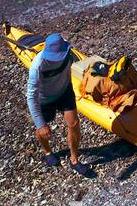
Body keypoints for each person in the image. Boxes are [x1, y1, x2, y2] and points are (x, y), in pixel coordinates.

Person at [26, 33, 90, 176]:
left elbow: (76, 68)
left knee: (73, 124)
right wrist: (40, 124)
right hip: (44, 99)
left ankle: (74, 159)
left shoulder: (68, 54)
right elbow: (31, 96)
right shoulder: (37, 67)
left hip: (64, 91)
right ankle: (48, 152)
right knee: (42, 128)